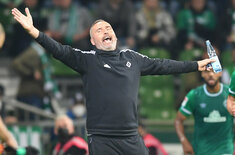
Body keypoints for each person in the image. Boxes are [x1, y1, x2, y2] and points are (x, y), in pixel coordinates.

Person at [11, 8, 215, 155]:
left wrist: (196, 65)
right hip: (101, 139)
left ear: (115, 35)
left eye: (108, 27)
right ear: (93, 42)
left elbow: (163, 65)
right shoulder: (87, 59)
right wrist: (34, 32)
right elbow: (59, 50)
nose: (105, 30)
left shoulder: (132, 58)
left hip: (131, 137)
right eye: (99, 30)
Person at [175, 69, 234, 155]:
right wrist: (184, 141)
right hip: (201, 150)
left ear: (220, 73)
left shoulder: (231, 94)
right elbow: (178, 120)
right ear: (202, 74)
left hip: (225, 149)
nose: (210, 74)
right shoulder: (195, 95)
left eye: (214, 71)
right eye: (207, 72)